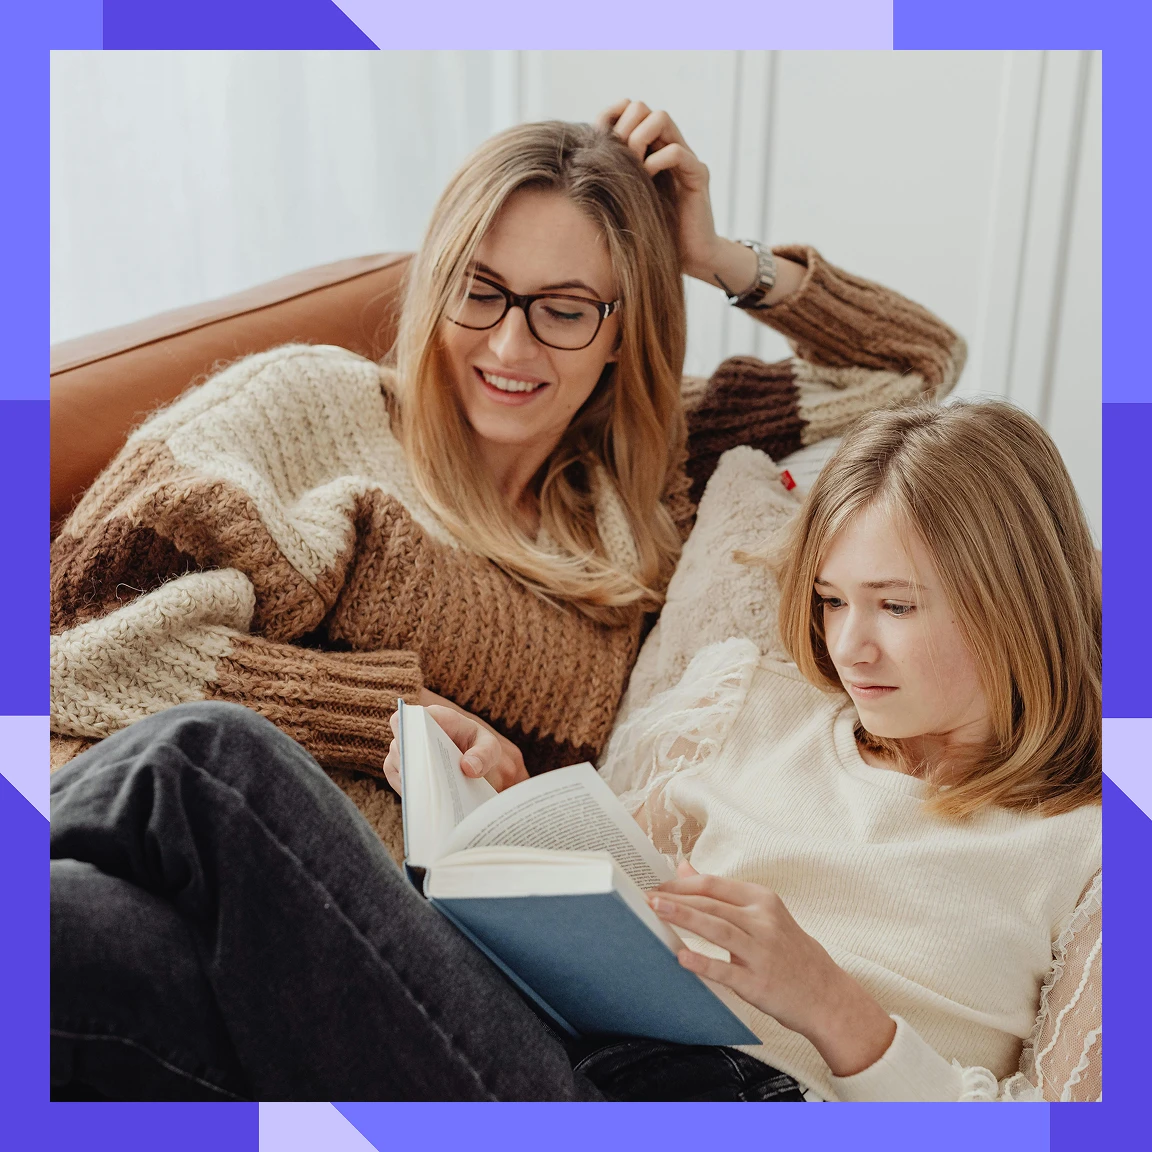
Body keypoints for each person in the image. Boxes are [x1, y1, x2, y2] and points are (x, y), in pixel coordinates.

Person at [50, 398, 1100, 1102]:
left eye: (897, 606)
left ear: (1014, 602)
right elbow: (614, 884)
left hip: (727, 1109)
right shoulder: (752, 706)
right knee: (86, 941)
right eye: (830, 601)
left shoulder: (1086, 847)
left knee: (211, 766)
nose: (849, 645)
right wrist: (507, 810)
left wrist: (834, 1008)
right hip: (556, 1047)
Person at [49, 102, 966, 851]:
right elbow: (75, 651)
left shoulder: (651, 474)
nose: (509, 344)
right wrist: (391, 718)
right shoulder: (307, 409)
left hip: (430, 948)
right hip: (202, 847)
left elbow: (916, 363)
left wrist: (713, 256)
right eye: (479, 289)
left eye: (564, 309)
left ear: (620, 330)